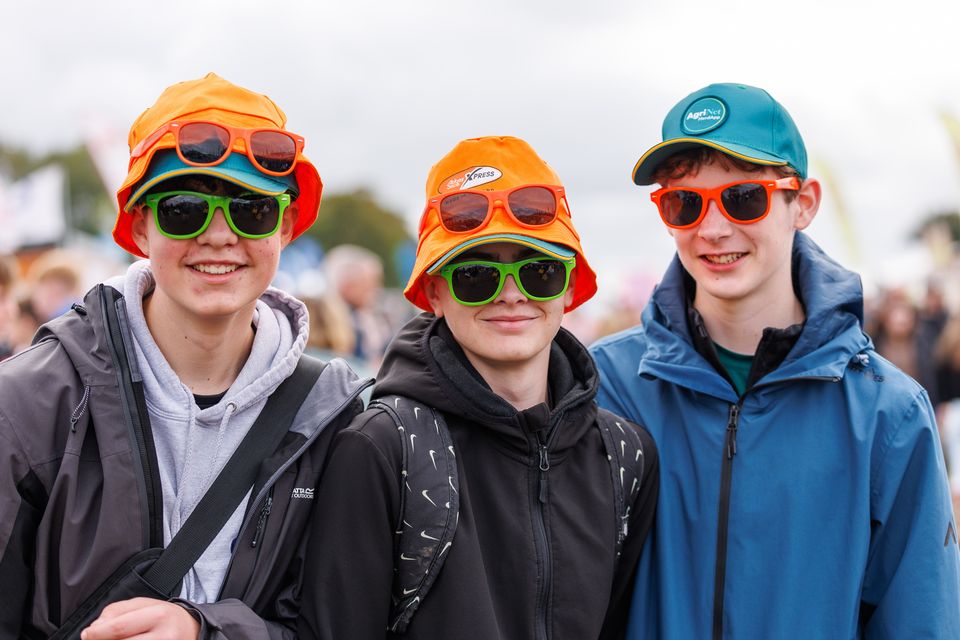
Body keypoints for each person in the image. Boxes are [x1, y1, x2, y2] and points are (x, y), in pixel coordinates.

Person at [0, 73, 369, 639]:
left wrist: (206, 633)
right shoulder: (28, 403)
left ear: (286, 226)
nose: (219, 235)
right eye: (183, 209)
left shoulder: (333, 418)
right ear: (140, 228)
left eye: (251, 209)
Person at [590, 83, 960, 638]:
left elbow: (920, 622)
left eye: (743, 198)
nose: (712, 229)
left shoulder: (889, 413)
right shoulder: (602, 386)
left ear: (803, 203)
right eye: (684, 203)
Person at [299, 135, 658, 639]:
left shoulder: (625, 455)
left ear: (570, 287)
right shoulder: (381, 447)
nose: (511, 294)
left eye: (539, 271)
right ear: (435, 292)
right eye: (476, 275)